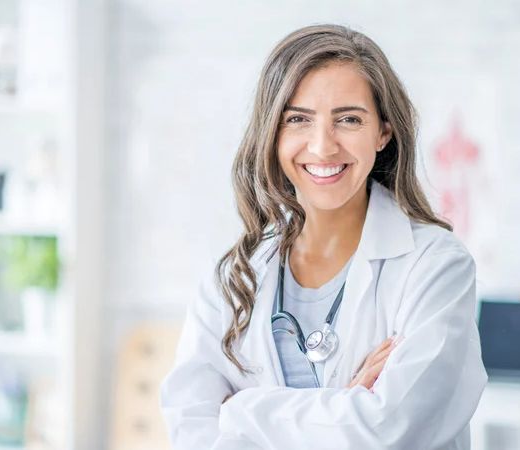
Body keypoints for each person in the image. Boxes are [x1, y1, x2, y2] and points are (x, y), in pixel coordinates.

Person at [160, 24, 487, 450]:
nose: (322, 146)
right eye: (298, 119)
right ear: (272, 133)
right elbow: (191, 430)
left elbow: (389, 430)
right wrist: (342, 406)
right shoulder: (233, 276)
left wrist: (238, 410)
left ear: (383, 133)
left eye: (348, 119)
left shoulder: (436, 267)